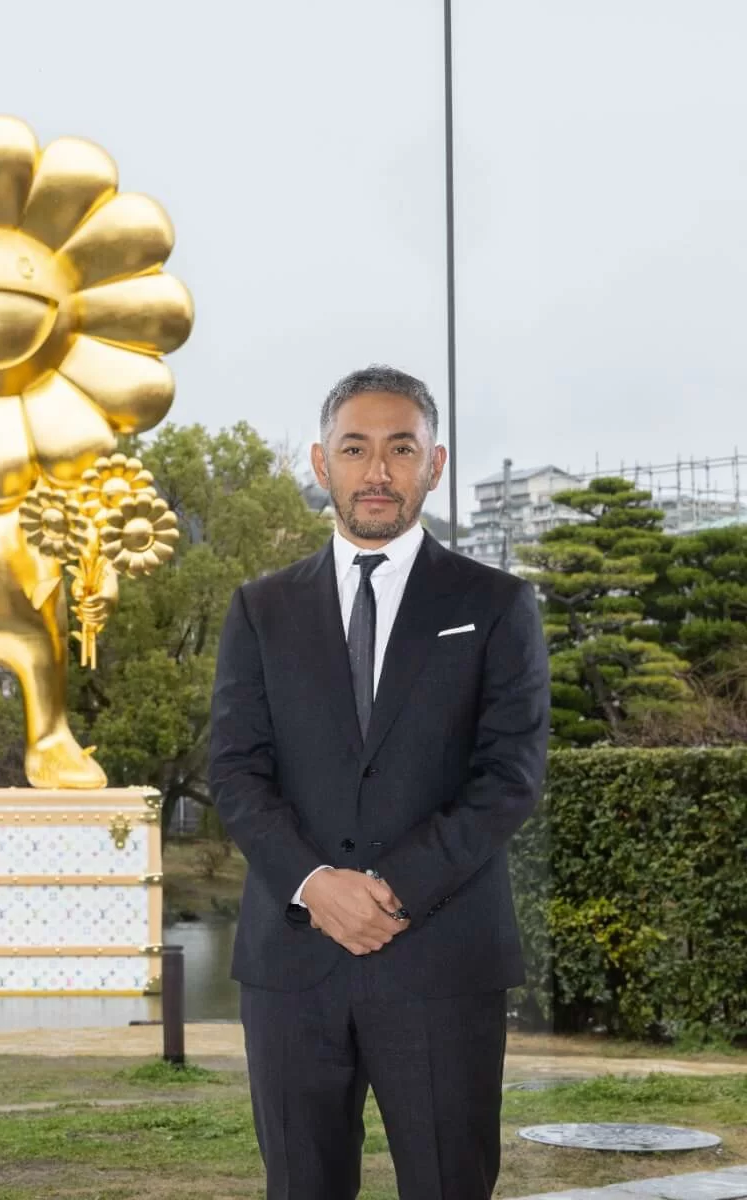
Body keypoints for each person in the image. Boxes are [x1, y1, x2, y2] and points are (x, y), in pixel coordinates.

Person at [208, 366, 550, 1199]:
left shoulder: (499, 605)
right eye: (355, 448)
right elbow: (236, 771)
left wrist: (390, 890)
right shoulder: (260, 611)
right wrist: (315, 885)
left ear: (434, 464)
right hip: (293, 964)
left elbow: (509, 777)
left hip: (441, 961)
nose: (378, 471)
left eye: (402, 448)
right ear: (321, 465)